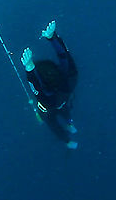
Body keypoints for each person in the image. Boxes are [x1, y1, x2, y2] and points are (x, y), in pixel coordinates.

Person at [21, 20, 79, 149]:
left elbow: (38, 88)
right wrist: (52, 37)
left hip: (57, 102)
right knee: (57, 120)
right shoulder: (65, 84)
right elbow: (65, 59)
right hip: (51, 107)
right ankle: (67, 138)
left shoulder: (63, 84)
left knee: (61, 115)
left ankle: (68, 131)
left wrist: (30, 69)